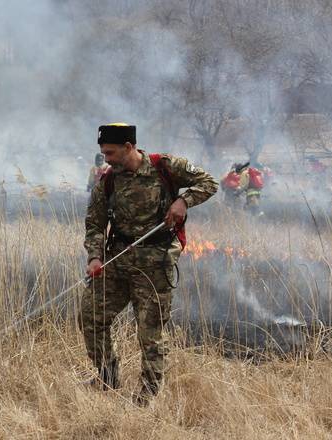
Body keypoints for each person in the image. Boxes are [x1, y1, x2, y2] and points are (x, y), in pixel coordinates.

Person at [81, 123, 217, 405]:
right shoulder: (107, 181)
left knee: (149, 330)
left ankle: (148, 394)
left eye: (111, 152)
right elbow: (95, 224)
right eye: (103, 152)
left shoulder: (164, 166)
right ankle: (107, 377)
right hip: (117, 259)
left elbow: (209, 183)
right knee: (91, 316)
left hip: (155, 261)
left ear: (129, 147)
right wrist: (95, 257)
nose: (106, 158)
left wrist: (183, 201)